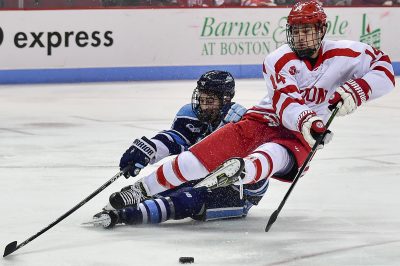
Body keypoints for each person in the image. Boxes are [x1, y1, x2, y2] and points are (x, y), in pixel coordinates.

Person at [93, 1, 395, 228]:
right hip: (265, 120)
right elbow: (286, 104)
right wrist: (312, 123)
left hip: (298, 139)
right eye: (297, 31)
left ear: (321, 30)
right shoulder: (277, 59)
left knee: (272, 155)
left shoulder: (348, 54)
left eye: (308, 31)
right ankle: (140, 189)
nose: (301, 38)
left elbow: (384, 68)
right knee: (194, 159)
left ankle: (242, 171)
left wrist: (357, 91)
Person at [90, 70, 269, 228]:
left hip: (238, 190)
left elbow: (255, 162)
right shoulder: (192, 114)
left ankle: (126, 216)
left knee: (187, 200)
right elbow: (175, 138)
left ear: (226, 100)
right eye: (202, 99)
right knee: (166, 185)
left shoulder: (240, 123)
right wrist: (149, 148)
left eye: (210, 101)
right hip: (203, 175)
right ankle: (129, 204)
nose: (203, 106)